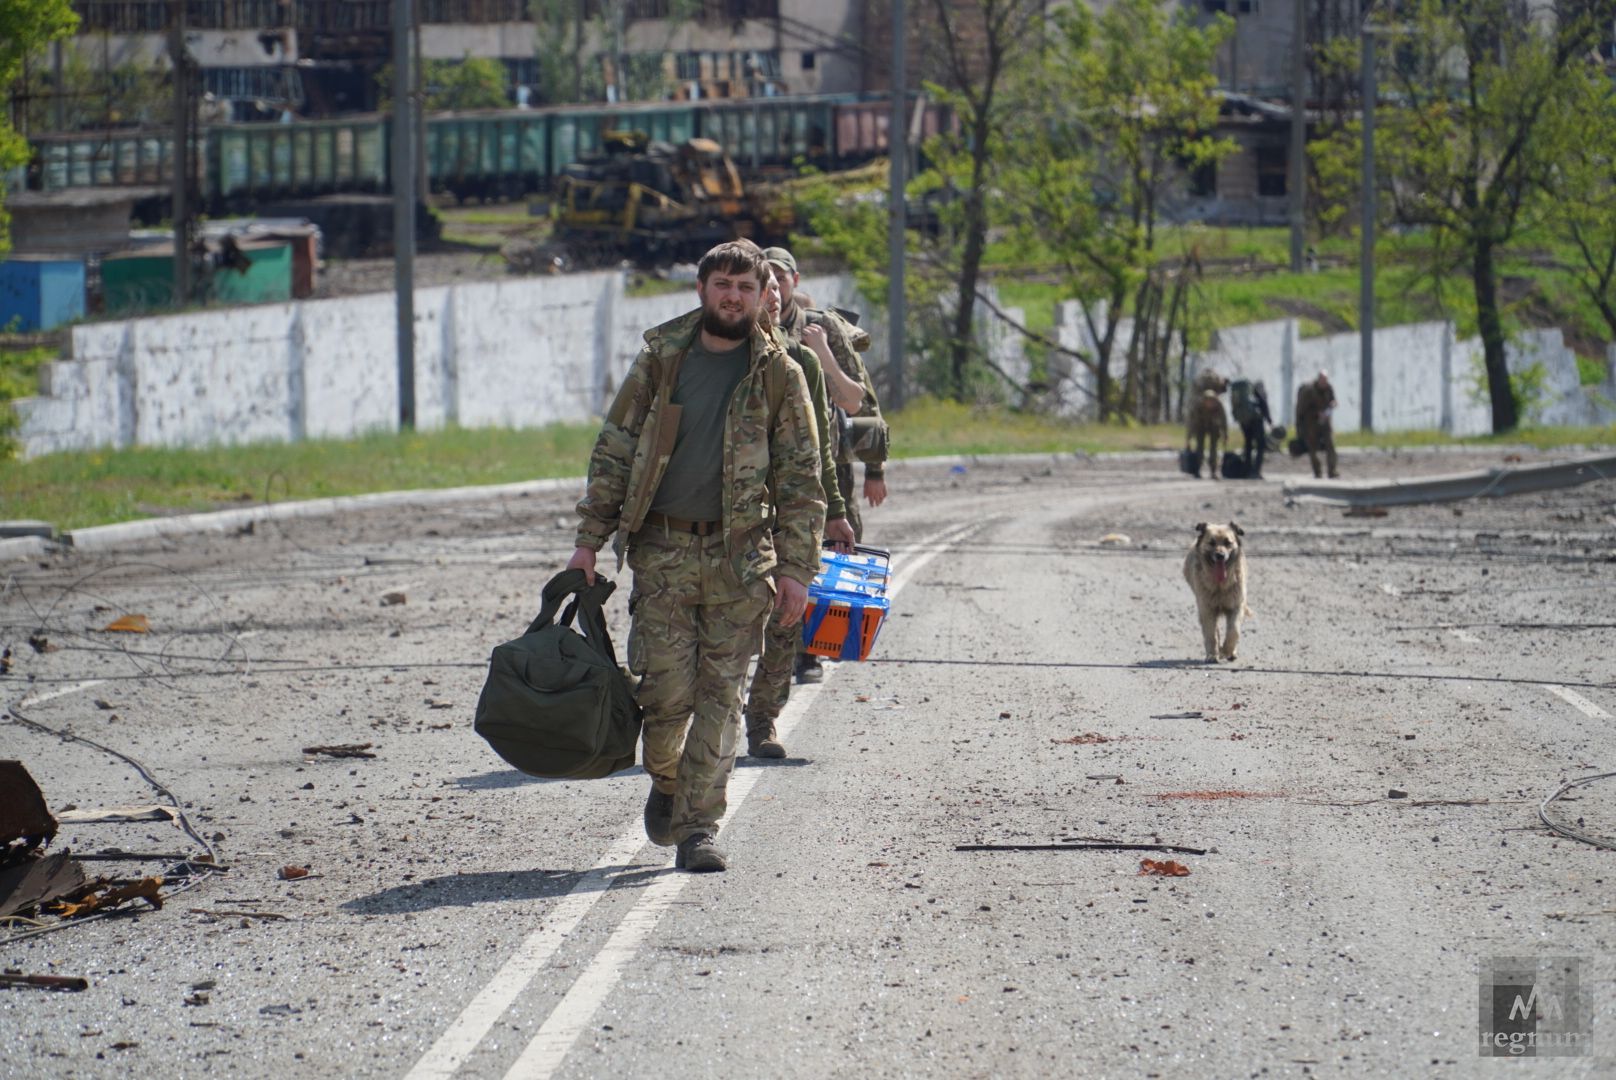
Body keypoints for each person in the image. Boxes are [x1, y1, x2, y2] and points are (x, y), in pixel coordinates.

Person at [566, 241, 825, 873]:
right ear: (702, 291)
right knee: (665, 697)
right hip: (664, 552)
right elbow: (616, 449)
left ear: (764, 293)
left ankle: (698, 827)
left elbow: (800, 478)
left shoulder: (778, 371)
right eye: (722, 284)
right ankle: (668, 780)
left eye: (744, 285)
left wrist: (796, 571)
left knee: (721, 695)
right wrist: (588, 543)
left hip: (742, 560)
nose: (732, 295)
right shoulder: (662, 360)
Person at [741, 262, 857, 758]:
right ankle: (708, 721)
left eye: (772, 287)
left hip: (785, 513)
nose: (768, 296)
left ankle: (762, 721)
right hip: (726, 517)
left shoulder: (799, 362)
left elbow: (817, 452)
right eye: (756, 287)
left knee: (786, 620)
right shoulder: (707, 353)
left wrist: (834, 507)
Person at [761, 245, 889, 683]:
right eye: (766, 276)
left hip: (826, 464)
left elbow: (861, 403)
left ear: (794, 281)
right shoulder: (740, 328)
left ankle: (809, 649)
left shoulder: (820, 328)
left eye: (781, 276)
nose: (773, 285)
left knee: (825, 556)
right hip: (761, 474)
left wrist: (875, 469)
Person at [1295, 370, 1339, 479]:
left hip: (1325, 423)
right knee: (1313, 449)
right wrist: (1315, 414)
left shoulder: (1328, 388)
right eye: (1322, 380)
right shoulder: (1309, 390)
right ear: (1318, 379)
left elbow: (1333, 400)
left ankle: (1332, 471)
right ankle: (1317, 472)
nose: (1324, 383)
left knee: (1331, 446)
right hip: (1311, 424)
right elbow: (1301, 409)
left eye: (1326, 380)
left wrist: (1332, 405)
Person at [1234, 378, 1273, 478]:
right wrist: (1269, 420)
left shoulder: (1246, 396)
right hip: (1256, 422)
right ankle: (1256, 471)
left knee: (1248, 446)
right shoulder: (1259, 392)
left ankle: (1246, 471)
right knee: (1260, 446)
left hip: (1245, 422)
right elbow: (1264, 405)